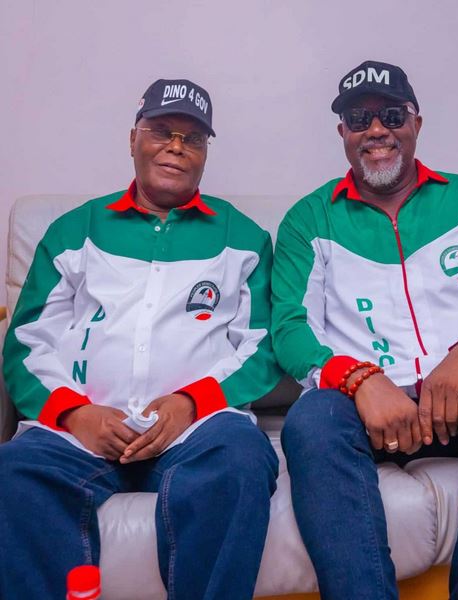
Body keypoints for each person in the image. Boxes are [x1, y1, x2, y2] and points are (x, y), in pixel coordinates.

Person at [0, 78, 280, 600]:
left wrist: (190, 404)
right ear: (133, 138)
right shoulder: (74, 230)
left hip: (197, 429)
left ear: (205, 152)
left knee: (242, 459)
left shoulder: (243, 237)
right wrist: (75, 414)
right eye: (161, 131)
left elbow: (262, 348)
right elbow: (25, 343)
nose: (176, 147)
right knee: (14, 473)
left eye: (192, 138)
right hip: (79, 430)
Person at [271, 60, 458, 600]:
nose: (376, 130)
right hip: (369, 411)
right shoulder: (309, 219)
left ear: (416, 122)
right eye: (358, 118)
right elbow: (291, 329)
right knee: (311, 420)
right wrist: (361, 380)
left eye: (391, 115)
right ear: (342, 132)